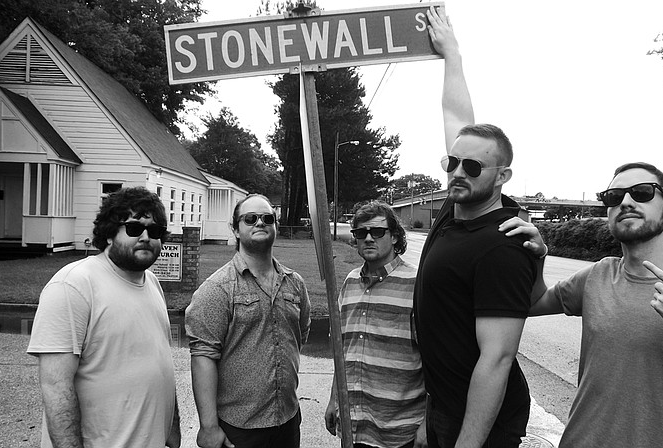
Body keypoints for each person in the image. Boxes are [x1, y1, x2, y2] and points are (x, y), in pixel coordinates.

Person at [501, 162, 663, 447]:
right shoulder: (597, 275)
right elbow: (531, 304)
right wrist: (537, 257)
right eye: (614, 196)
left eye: (642, 192)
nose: (626, 201)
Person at [412, 7, 544, 448]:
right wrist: (452, 54)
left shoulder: (503, 242)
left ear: (502, 176)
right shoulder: (457, 209)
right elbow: (456, 114)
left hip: (480, 423)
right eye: (452, 162)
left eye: (472, 165)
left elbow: (498, 358)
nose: (458, 171)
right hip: (445, 404)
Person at [27, 186, 181, 448]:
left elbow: (159, 364)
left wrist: (173, 431)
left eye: (154, 231)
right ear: (110, 233)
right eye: (133, 228)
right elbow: (55, 387)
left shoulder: (152, 283)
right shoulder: (73, 285)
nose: (145, 237)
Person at [186, 193, 311, 448]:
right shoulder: (218, 288)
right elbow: (203, 357)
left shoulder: (295, 284)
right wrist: (208, 426)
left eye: (267, 218)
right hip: (239, 429)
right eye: (250, 218)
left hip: (287, 420)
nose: (260, 223)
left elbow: (300, 336)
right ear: (235, 229)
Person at [324, 201, 426, 448]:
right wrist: (333, 400)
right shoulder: (349, 283)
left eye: (377, 232)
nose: (368, 238)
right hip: (355, 428)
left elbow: (436, 360)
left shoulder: (417, 283)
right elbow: (342, 350)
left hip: (401, 433)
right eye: (361, 233)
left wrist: (428, 422)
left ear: (394, 237)